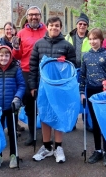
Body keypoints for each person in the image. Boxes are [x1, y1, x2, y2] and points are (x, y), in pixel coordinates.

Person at [28, 16, 76, 163]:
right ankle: (47, 147)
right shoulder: (38, 44)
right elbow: (33, 66)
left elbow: (73, 67)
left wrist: (64, 63)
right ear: (47, 27)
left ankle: (59, 147)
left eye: (57, 26)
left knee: (58, 115)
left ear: (60, 28)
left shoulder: (67, 46)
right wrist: (33, 86)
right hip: (43, 88)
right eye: (51, 25)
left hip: (60, 89)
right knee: (45, 116)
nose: (54, 28)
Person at [79, 28, 106, 167]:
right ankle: (97, 150)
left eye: (95, 39)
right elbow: (82, 76)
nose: (92, 41)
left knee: (105, 122)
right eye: (90, 39)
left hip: (104, 93)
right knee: (95, 123)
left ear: (101, 40)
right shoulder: (86, 56)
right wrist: (82, 93)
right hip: (91, 92)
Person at [0, 46, 26, 169]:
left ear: (10, 57)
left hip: (11, 106)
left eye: (6, 56)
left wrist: (17, 98)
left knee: (12, 133)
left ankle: (14, 155)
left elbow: (21, 85)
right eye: (1, 56)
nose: (4, 58)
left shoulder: (16, 70)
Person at [12, 6, 47, 146]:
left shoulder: (47, 31)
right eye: (31, 15)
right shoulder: (21, 33)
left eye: (36, 15)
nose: (34, 17)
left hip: (44, 71)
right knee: (30, 104)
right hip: (26, 71)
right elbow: (18, 55)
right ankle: (32, 135)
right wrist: (14, 49)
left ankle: (47, 135)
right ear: (27, 17)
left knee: (45, 103)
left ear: (40, 16)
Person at [65, 12, 92, 131]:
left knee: (85, 94)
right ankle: (72, 121)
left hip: (86, 71)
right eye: (80, 24)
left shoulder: (90, 37)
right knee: (72, 96)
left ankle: (87, 122)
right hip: (71, 71)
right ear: (77, 25)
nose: (82, 26)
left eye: (84, 24)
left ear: (87, 26)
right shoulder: (68, 37)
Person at [0, 22, 24, 133]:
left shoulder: (18, 40)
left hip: (17, 71)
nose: (9, 31)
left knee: (16, 101)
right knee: (5, 101)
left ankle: (15, 124)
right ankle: (5, 127)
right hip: (5, 72)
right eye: (7, 29)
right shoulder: (1, 42)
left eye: (11, 29)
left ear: (15, 30)